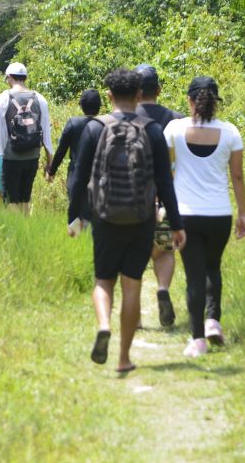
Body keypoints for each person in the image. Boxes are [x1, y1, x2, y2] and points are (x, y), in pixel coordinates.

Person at [69, 69, 186, 373]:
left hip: (105, 216)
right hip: (142, 217)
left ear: (108, 96)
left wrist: (77, 217)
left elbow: (79, 177)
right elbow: (165, 182)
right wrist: (175, 223)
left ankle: (104, 325)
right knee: (132, 285)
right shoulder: (152, 131)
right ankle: (123, 358)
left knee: (103, 280)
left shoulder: (95, 128)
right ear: (138, 96)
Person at [164, 76, 245, 358]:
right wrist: (243, 214)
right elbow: (237, 176)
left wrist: (162, 204)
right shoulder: (230, 132)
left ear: (190, 101)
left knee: (194, 276)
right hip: (219, 214)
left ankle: (198, 338)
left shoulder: (174, 129)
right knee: (213, 267)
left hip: (186, 215)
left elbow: (167, 170)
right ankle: (213, 321)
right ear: (216, 101)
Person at [134, 64, 185, 328]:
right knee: (164, 251)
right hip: (167, 198)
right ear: (159, 90)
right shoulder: (177, 119)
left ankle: (137, 317)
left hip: (132, 199)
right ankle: (163, 288)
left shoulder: (124, 118)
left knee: (133, 257)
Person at [0, 62, 53, 214]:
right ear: (25, 78)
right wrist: (50, 163)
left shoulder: (1, 99)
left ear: (9, 78)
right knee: (25, 198)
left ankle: (17, 231)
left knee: (10, 200)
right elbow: (46, 132)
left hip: (11, 157)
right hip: (33, 156)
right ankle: (26, 229)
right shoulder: (40, 99)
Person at [47, 89, 101, 223]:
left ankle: (77, 239)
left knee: (76, 214)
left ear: (81, 105)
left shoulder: (73, 123)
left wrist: (51, 171)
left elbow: (61, 151)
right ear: (99, 106)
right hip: (97, 176)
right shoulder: (104, 125)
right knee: (93, 213)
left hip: (75, 175)